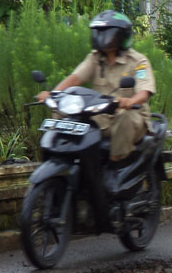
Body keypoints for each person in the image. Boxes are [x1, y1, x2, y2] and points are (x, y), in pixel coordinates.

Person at [37, 10, 155, 163]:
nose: (101, 37)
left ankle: (116, 163)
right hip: (99, 116)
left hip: (131, 117)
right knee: (63, 113)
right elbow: (74, 79)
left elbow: (144, 92)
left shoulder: (138, 62)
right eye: (98, 32)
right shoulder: (94, 58)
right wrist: (53, 94)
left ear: (121, 36)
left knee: (124, 116)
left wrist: (130, 102)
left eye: (107, 33)